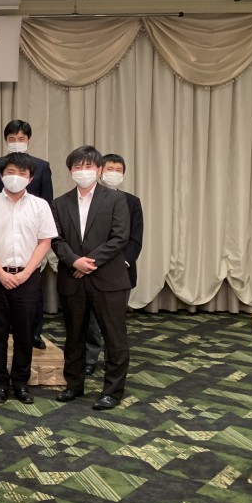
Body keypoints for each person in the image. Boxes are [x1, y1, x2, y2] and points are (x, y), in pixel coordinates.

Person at [51, 145, 131, 411]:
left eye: (88, 166)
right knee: (74, 335)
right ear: (70, 171)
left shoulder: (116, 199)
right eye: (77, 167)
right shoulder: (60, 203)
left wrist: (88, 262)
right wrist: (74, 261)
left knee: (114, 336)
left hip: (108, 279)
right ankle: (74, 385)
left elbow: (120, 237)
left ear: (98, 170)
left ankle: (112, 391)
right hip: (73, 279)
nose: (82, 171)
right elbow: (56, 239)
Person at [0, 153, 57, 405]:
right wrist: (0, 273)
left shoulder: (40, 206)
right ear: (1, 175)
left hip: (28, 276)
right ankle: (0, 383)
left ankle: (20, 383)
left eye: (22, 173)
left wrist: (25, 273)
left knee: (25, 332)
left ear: (30, 178)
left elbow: (45, 242)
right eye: (11, 172)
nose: (16, 177)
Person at [85, 153, 143, 376]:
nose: (114, 174)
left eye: (119, 170)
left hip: (120, 272)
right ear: (100, 171)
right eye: (110, 169)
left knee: (114, 322)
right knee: (90, 320)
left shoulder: (132, 202)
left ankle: (113, 361)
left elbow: (135, 239)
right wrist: (94, 262)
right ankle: (90, 358)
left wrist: (121, 264)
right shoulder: (88, 199)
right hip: (92, 268)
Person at [0, 119, 54, 350]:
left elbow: (47, 200)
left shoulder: (41, 166)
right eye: (12, 139)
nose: (17, 142)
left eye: (21, 138)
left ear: (28, 140)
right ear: (6, 141)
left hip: (31, 237)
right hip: (1, 236)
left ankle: (35, 333)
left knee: (33, 293)